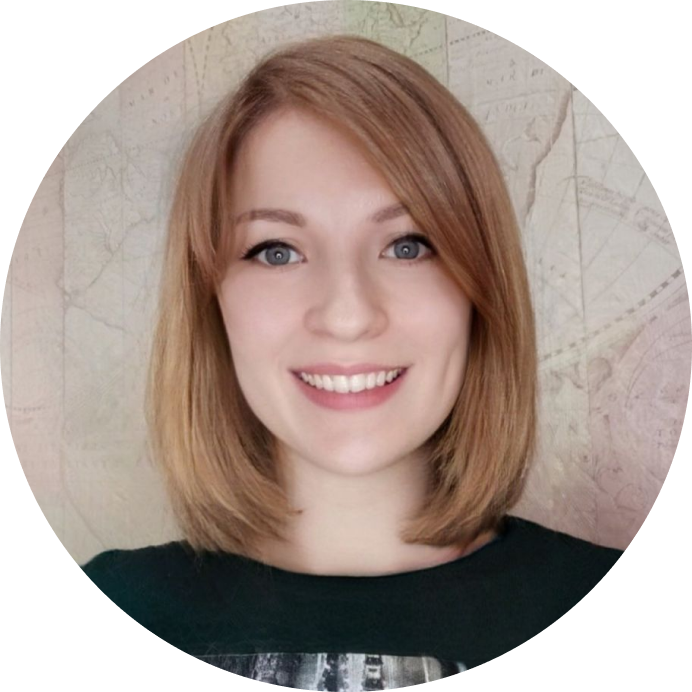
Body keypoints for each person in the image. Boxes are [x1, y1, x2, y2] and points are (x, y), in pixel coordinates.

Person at [81, 35, 623, 680]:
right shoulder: (122, 598)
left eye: (408, 245)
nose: (347, 315)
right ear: (211, 301)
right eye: (276, 250)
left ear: (480, 291)